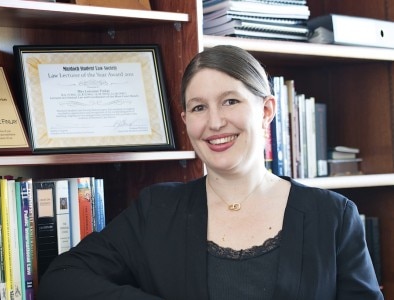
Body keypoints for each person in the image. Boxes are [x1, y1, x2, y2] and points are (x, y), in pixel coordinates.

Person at [37, 45, 384, 300]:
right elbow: (62, 279)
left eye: (230, 101)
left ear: (266, 110)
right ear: (187, 121)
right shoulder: (158, 209)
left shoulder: (333, 215)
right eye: (199, 107)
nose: (215, 122)